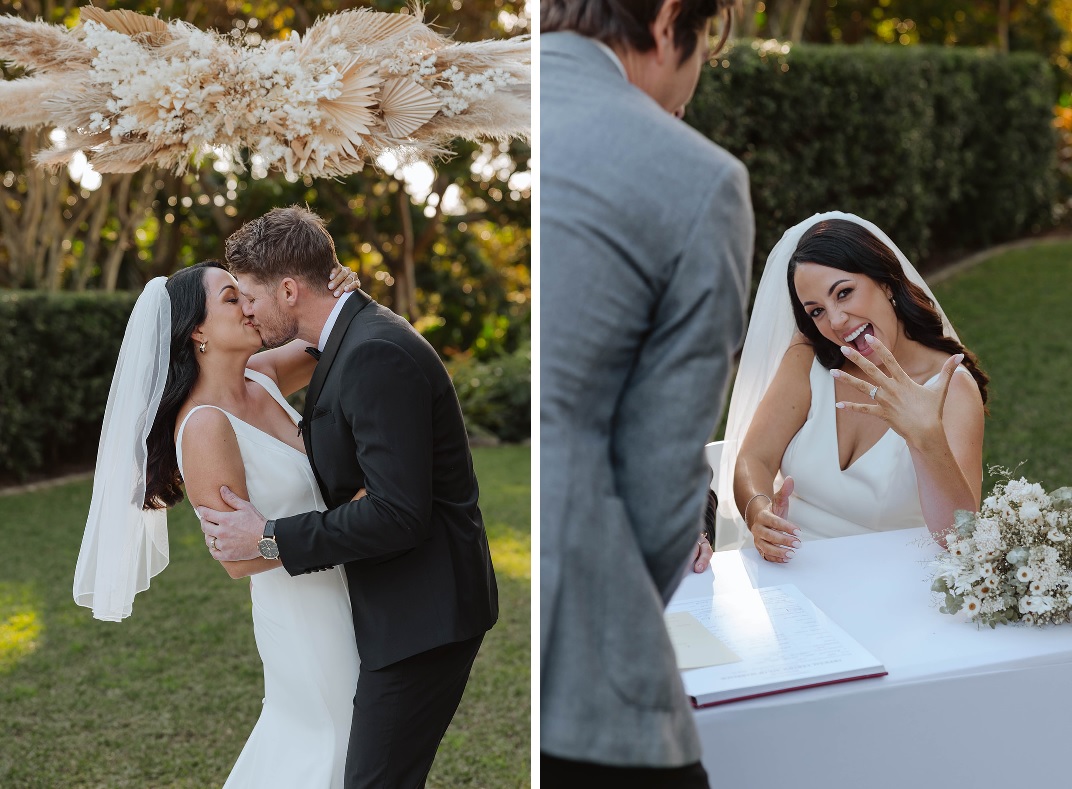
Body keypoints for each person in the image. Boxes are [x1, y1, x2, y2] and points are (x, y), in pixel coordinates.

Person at [197, 206, 498, 789]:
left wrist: (268, 536)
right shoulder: (345, 338)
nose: (249, 311)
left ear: (288, 288)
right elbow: (228, 379)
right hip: (395, 603)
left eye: (250, 296)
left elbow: (397, 514)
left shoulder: (372, 352)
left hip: (424, 613)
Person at [541, 0, 752, 784]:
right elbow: (664, 488)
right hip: (588, 672)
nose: (684, 98)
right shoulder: (699, 177)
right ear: (669, 22)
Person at [73, 259, 363, 787]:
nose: (250, 306)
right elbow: (241, 557)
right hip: (304, 615)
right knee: (332, 744)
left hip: (349, 587)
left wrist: (340, 290)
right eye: (232, 298)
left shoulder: (263, 376)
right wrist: (365, 507)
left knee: (353, 747)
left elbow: (343, 333)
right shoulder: (205, 426)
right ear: (197, 332)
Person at [718, 212, 988, 562]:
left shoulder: (950, 388)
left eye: (844, 293)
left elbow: (960, 537)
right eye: (816, 311)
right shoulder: (808, 361)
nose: (836, 321)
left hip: (888, 588)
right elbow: (755, 458)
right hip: (789, 579)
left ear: (886, 283)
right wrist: (759, 512)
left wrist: (926, 435)